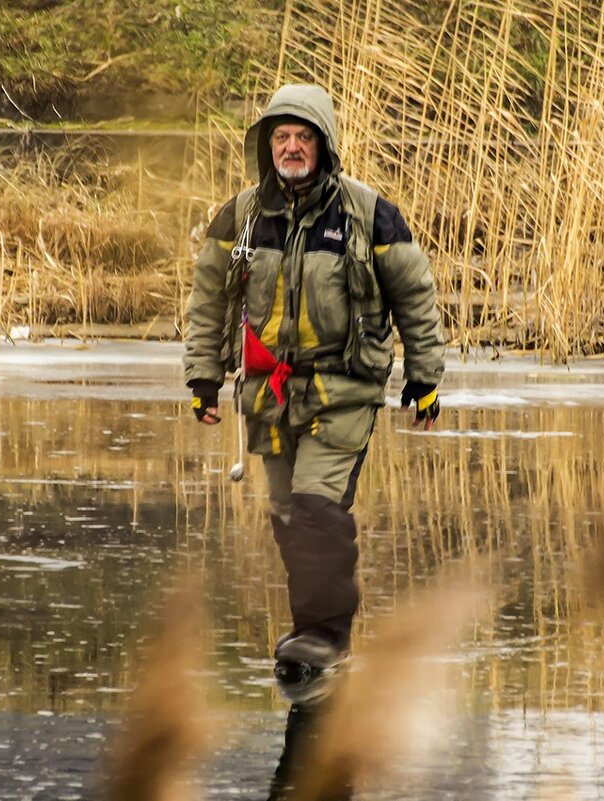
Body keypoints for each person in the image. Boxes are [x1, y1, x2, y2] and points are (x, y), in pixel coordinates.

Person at [183, 84, 445, 702]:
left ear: (324, 144)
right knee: (285, 518)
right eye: (281, 138)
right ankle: (317, 635)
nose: (292, 148)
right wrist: (203, 378)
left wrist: (425, 378)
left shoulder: (369, 213)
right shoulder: (241, 216)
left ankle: (321, 637)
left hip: (344, 392)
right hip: (269, 395)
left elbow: (415, 294)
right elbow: (208, 299)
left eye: (303, 137)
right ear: (267, 146)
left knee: (317, 511)